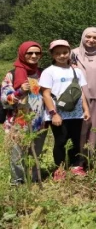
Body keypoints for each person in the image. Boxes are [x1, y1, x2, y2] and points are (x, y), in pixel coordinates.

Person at [40, 40, 91, 180]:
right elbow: (46, 94)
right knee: (60, 141)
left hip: (76, 113)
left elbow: (81, 92)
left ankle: (76, 166)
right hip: (58, 114)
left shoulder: (77, 71)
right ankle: (60, 169)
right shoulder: (48, 72)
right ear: (52, 54)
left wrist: (86, 110)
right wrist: (53, 114)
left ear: (69, 53)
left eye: (64, 52)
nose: (62, 56)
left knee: (75, 140)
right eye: (57, 53)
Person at [1, 41, 48, 185]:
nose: (34, 56)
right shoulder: (12, 74)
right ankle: (17, 181)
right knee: (17, 154)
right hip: (17, 122)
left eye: (37, 53)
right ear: (22, 53)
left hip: (39, 122)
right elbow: (4, 99)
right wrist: (19, 91)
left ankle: (34, 179)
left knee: (35, 153)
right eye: (30, 53)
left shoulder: (42, 73)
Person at [70, 27, 96, 165]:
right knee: (80, 129)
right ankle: (78, 158)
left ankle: (90, 158)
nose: (91, 40)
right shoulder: (73, 54)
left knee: (94, 129)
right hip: (78, 97)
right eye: (88, 36)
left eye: (95, 38)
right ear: (83, 37)